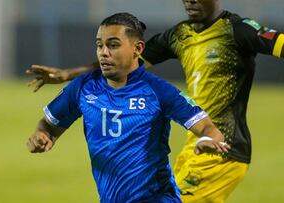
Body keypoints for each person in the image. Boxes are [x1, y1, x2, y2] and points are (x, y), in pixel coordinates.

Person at [26, 1, 284, 202]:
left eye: (112, 45)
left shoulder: (238, 30)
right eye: (99, 45)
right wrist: (67, 75)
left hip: (224, 146)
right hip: (194, 148)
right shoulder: (179, 35)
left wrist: (210, 135)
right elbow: (122, 61)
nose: (189, 0)